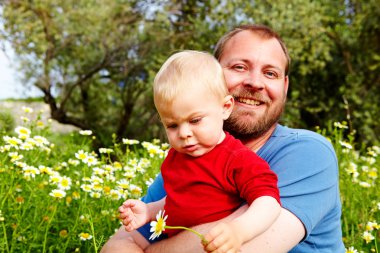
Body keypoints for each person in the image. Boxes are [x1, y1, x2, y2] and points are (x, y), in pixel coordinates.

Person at [101, 24, 345, 253]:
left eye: (270, 73)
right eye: (239, 67)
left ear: (285, 86)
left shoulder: (308, 153)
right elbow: (121, 243)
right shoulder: (188, 154)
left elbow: (244, 247)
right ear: (213, 78)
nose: (255, 83)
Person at [118, 50, 281, 253]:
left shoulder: (236, 159)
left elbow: (269, 202)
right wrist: (150, 211)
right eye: (172, 125)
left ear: (225, 107)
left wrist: (239, 231)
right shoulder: (176, 158)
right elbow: (179, 202)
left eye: (195, 120)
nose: (184, 133)